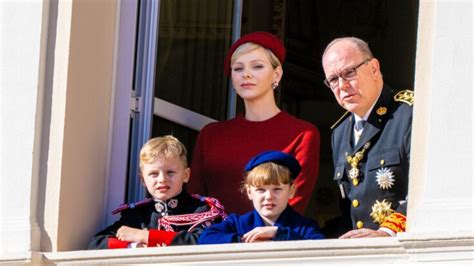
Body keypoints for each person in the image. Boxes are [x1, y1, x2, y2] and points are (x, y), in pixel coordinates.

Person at [188, 31, 320, 215]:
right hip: (214, 240)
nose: (246, 75)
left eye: (257, 66)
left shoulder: (303, 134)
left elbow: (294, 204)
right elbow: (194, 199)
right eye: (238, 68)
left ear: (277, 74)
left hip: (269, 241)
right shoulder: (210, 135)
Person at [321, 37, 413, 238]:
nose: (342, 86)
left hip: (401, 246)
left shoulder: (408, 115)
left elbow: (422, 193)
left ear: (373, 68)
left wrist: (387, 232)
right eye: (333, 80)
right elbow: (348, 209)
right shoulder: (340, 132)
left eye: (349, 73)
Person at [88, 135, 226, 249]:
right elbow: (97, 243)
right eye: (153, 173)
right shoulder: (138, 214)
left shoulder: (202, 210)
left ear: (186, 175)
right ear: (143, 179)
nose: (162, 179)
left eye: (170, 172)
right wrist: (134, 246)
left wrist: (145, 236)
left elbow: (204, 242)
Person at [198, 151, 325, 244]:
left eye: (277, 189)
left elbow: (321, 250)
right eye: (261, 190)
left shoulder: (305, 227)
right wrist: (242, 240)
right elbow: (205, 238)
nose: (269, 197)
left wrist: (279, 233)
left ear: (291, 191)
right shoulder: (237, 223)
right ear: (249, 192)